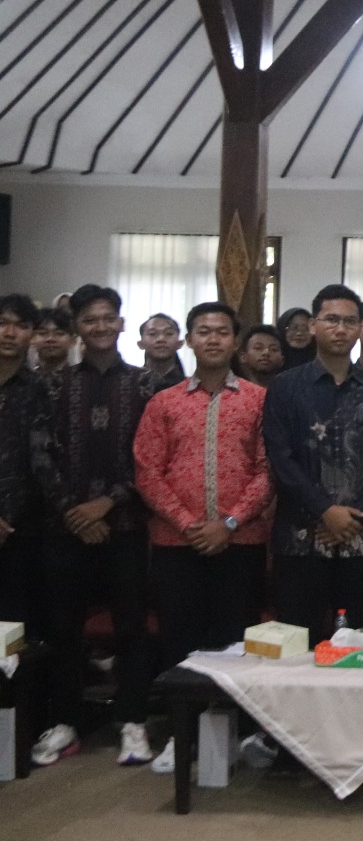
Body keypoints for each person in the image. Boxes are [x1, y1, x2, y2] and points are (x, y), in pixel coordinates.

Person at [133, 302, 271, 771]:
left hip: (241, 542)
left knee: (237, 640)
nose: (213, 339)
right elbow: (147, 471)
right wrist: (188, 523)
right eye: (203, 331)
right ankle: (183, 736)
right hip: (178, 544)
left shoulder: (258, 400)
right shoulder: (163, 402)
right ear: (189, 340)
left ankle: (235, 733)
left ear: (236, 342)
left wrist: (228, 522)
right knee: (180, 640)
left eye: (222, 332)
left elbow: (267, 470)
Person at [32, 285, 154, 768]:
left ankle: (133, 720)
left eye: (108, 318)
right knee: (63, 628)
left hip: (125, 527)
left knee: (130, 628)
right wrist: (75, 512)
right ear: (77, 328)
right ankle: (65, 720)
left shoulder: (146, 385)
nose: (100, 327)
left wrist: (106, 503)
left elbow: (151, 459)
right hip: (65, 530)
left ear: (121, 324)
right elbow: (40, 455)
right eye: (89, 320)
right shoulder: (52, 385)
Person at [261, 285, 363, 640]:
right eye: (331, 320)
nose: (340, 329)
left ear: (359, 328)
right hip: (300, 539)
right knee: (296, 645)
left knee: (360, 646)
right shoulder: (285, 387)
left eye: (349, 322)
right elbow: (281, 458)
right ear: (313, 325)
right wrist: (325, 510)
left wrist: (353, 518)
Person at [0, 295, 47, 631]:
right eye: (2, 323)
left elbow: (42, 461)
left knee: (15, 628)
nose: (9, 332)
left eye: (20, 325)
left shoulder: (41, 389)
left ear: (32, 334)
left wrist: (8, 518)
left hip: (23, 527)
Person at [137, 313, 185, 393]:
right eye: (152, 334)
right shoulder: (131, 383)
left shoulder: (190, 387)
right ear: (140, 344)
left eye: (169, 333)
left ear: (180, 343)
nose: (161, 339)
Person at [31, 306, 75, 377]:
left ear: (72, 340)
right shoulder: (22, 379)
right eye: (43, 333)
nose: (50, 339)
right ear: (32, 339)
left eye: (59, 333)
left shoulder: (84, 379)